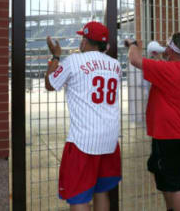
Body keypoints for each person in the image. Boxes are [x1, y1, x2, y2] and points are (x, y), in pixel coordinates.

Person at [45, 21, 122, 211]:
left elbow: (49, 83)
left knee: (78, 197)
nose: (81, 42)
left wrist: (55, 56)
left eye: (83, 38)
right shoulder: (115, 64)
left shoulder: (74, 60)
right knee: (101, 191)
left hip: (83, 141)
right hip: (109, 140)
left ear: (86, 41)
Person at [126, 33, 180, 211]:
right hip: (178, 132)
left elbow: (134, 59)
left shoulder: (166, 70)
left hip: (170, 134)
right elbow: (169, 75)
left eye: (167, 46)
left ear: (171, 50)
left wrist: (133, 44)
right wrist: (161, 60)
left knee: (174, 182)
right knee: (158, 169)